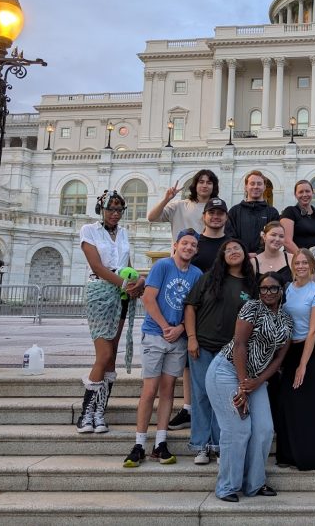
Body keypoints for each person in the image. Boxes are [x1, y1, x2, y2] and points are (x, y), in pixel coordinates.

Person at [205, 273, 292, 502]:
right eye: (263, 288)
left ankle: (254, 484)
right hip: (227, 372)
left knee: (263, 429)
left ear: (281, 291)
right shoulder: (251, 307)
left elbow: (278, 359)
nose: (268, 293)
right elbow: (240, 345)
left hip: (256, 379)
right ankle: (227, 486)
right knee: (238, 429)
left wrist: (258, 381)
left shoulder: (286, 319)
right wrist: (244, 386)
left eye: (273, 288)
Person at [123, 229, 203, 467]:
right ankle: (139, 443)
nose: (189, 247)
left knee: (168, 391)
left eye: (193, 245)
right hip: (156, 335)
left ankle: (160, 442)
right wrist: (166, 326)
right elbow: (148, 298)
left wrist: (179, 329)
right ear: (176, 245)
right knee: (149, 391)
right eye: (185, 243)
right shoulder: (163, 267)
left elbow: (193, 307)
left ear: (196, 250)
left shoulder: (197, 274)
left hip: (177, 339)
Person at [183, 238, 258, 465]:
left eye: (238, 248)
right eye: (228, 249)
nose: (233, 252)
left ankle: (220, 444)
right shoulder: (209, 278)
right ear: (222, 256)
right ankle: (201, 445)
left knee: (225, 398)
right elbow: (190, 307)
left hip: (230, 352)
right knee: (202, 395)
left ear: (246, 253)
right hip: (203, 346)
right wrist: (192, 338)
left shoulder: (251, 285)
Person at [77, 190, 144, 434]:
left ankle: (99, 412)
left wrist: (136, 281)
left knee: (112, 354)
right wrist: (126, 284)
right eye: (111, 209)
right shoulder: (89, 231)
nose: (115, 214)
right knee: (103, 354)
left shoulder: (124, 233)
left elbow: (125, 266)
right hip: (100, 292)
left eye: (119, 210)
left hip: (121, 294)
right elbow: (97, 266)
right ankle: (86, 412)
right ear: (101, 210)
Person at [271, 249, 315, 470]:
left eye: (304, 263)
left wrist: (303, 365)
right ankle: (288, 455)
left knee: (310, 404)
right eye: (297, 263)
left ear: (312, 266)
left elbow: (312, 330)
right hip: (290, 350)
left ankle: (311, 457)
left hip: (313, 350)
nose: (300, 266)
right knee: (288, 403)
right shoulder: (287, 289)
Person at [169, 196, 229, 431]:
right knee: (190, 362)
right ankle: (189, 408)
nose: (215, 217)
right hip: (195, 311)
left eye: (220, 213)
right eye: (211, 213)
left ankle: (216, 414)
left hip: (221, 315)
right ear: (204, 216)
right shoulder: (195, 242)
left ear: (226, 217)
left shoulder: (230, 244)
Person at [147, 169, 219, 237]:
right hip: (181, 250)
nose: (205, 186)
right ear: (195, 185)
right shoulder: (178, 206)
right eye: (201, 182)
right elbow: (152, 218)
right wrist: (166, 199)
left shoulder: (218, 210)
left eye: (209, 183)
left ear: (213, 187)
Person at [227, 170, 280, 254]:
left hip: (265, 259)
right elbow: (230, 236)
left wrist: (258, 254)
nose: (256, 187)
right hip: (240, 259)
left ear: (264, 187)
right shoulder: (234, 211)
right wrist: (243, 253)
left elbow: (274, 237)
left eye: (259, 184)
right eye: (252, 183)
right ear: (246, 187)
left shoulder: (272, 212)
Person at [281, 179, 315, 252]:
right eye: (300, 192)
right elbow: (286, 241)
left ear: (313, 193)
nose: (304, 194)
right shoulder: (290, 212)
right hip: (297, 259)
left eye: (307, 191)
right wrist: (303, 258)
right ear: (295, 195)